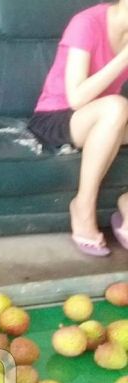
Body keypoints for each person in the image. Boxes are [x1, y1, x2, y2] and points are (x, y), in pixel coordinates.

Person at [30, 1, 128, 256]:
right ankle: (83, 206)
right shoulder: (86, 23)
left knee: (116, 109)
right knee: (116, 107)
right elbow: (76, 98)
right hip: (58, 116)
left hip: (105, 117)